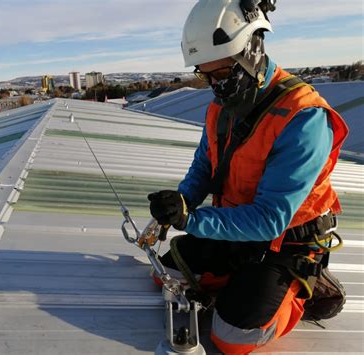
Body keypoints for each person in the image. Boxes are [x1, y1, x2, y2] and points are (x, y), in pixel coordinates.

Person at [147, 0, 349, 353]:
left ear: (252, 51)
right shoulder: (222, 106)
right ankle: (245, 281)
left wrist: (193, 220)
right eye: (205, 75)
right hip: (239, 230)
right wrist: (181, 200)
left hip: (285, 242)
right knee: (166, 278)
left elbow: (271, 219)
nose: (215, 86)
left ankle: (303, 288)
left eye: (222, 74)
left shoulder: (303, 118)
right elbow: (204, 166)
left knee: (232, 338)